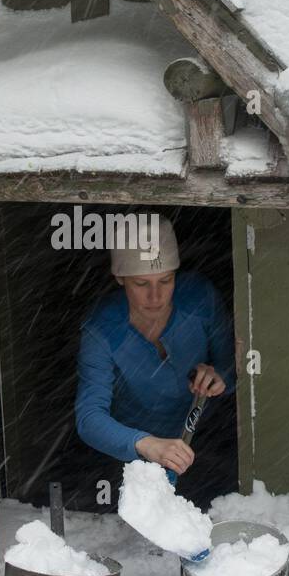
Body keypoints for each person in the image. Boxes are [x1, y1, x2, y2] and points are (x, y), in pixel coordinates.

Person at [74, 216, 237, 510]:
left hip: (207, 444)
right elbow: (89, 419)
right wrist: (147, 445)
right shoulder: (102, 328)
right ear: (120, 278)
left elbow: (236, 369)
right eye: (141, 283)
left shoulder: (200, 298)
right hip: (133, 458)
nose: (156, 296)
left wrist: (218, 377)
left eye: (166, 280)